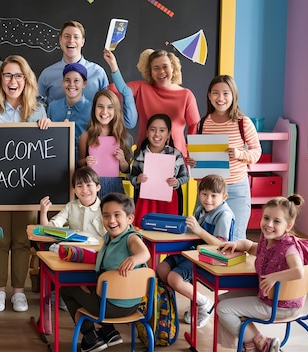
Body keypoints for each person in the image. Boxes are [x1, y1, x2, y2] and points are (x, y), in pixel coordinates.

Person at [0, 55, 50, 313]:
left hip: (27, 189)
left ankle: (18, 291)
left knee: (21, 241)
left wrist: (48, 128)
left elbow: (45, 149)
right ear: (0, 79)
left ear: (26, 80)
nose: (12, 80)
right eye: (7, 75)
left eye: (18, 75)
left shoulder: (38, 110)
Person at [216, 194, 307, 352]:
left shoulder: (289, 247)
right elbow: (252, 247)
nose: (269, 224)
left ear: (288, 226)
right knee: (221, 300)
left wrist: (274, 277)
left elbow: (299, 271)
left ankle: (261, 343)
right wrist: (237, 244)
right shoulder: (267, 240)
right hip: (270, 296)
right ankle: (249, 344)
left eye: (277, 221)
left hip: (281, 304)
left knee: (224, 309)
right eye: (266, 218)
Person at [61, 192, 150, 352]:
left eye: (117, 215)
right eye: (106, 216)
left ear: (130, 219)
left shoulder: (131, 238)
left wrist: (134, 259)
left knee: (66, 289)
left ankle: (90, 337)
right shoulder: (110, 238)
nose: (111, 220)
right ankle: (109, 332)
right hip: (132, 304)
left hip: (111, 306)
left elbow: (145, 253)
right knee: (86, 285)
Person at [187, 75, 261, 241]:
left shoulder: (243, 122)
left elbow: (256, 152)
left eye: (226, 93)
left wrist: (240, 154)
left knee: (234, 239)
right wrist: (191, 161)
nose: (220, 98)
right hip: (207, 191)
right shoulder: (202, 123)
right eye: (216, 93)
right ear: (209, 95)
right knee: (201, 236)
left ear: (233, 95)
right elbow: (197, 156)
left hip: (235, 189)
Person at [157, 174, 234, 329]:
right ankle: (176, 307)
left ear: (224, 196)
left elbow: (220, 245)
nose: (208, 199)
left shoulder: (224, 215)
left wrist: (199, 231)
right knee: (161, 269)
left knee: (174, 278)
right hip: (190, 251)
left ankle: (205, 304)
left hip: (208, 257)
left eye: (214, 195)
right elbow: (192, 233)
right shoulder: (201, 209)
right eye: (204, 194)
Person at [102, 48, 200, 157]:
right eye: (156, 68)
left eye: (165, 66)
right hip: (145, 156)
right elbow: (115, 89)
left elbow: (194, 126)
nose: (161, 71)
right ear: (150, 72)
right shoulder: (142, 88)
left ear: (172, 67)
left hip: (177, 158)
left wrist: (192, 153)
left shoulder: (186, 95)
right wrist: (113, 65)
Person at [129, 114, 189, 227]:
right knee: (143, 228)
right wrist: (137, 179)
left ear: (168, 134)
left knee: (167, 229)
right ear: (146, 133)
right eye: (153, 130)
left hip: (169, 201)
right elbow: (131, 176)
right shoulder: (140, 154)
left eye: (162, 130)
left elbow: (185, 177)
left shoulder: (175, 154)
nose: (157, 134)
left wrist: (176, 182)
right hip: (145, 201)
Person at [38, 20, 108, 104]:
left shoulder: (98, 72)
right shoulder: (47, 74)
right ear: (60, 40)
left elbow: (108, 105)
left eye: (76, 37)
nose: (71, 40)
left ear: (82, 41)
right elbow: (37, 106)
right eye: (67, 36)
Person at [78, 89, 132, 198]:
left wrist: (121, 159)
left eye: (110, 107)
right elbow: (79, 164)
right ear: (94, 109)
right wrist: (86, 161)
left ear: (116, 110)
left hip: (115, 186)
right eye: (100, 106)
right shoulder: (86, 136)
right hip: (91, 186)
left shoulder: (123, 137)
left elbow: (126, 169)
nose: (104, 111)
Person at [39, 166, 106, 240]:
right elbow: (48, 229)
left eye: (89, 185)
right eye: (80, 186)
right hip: (75, 248)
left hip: (99, 248)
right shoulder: (70, 207)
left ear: (98, 187)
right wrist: (43, 212)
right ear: (74, 190)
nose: (84, 190)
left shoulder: (105, 208)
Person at [46, 63, 92, 160]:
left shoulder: (92, 109)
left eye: (76, 81)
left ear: (84, 84)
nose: (71, 84)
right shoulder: (53, 107)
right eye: (67, 80)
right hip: (56, 160)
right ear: (62, 83)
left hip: (83, 163)